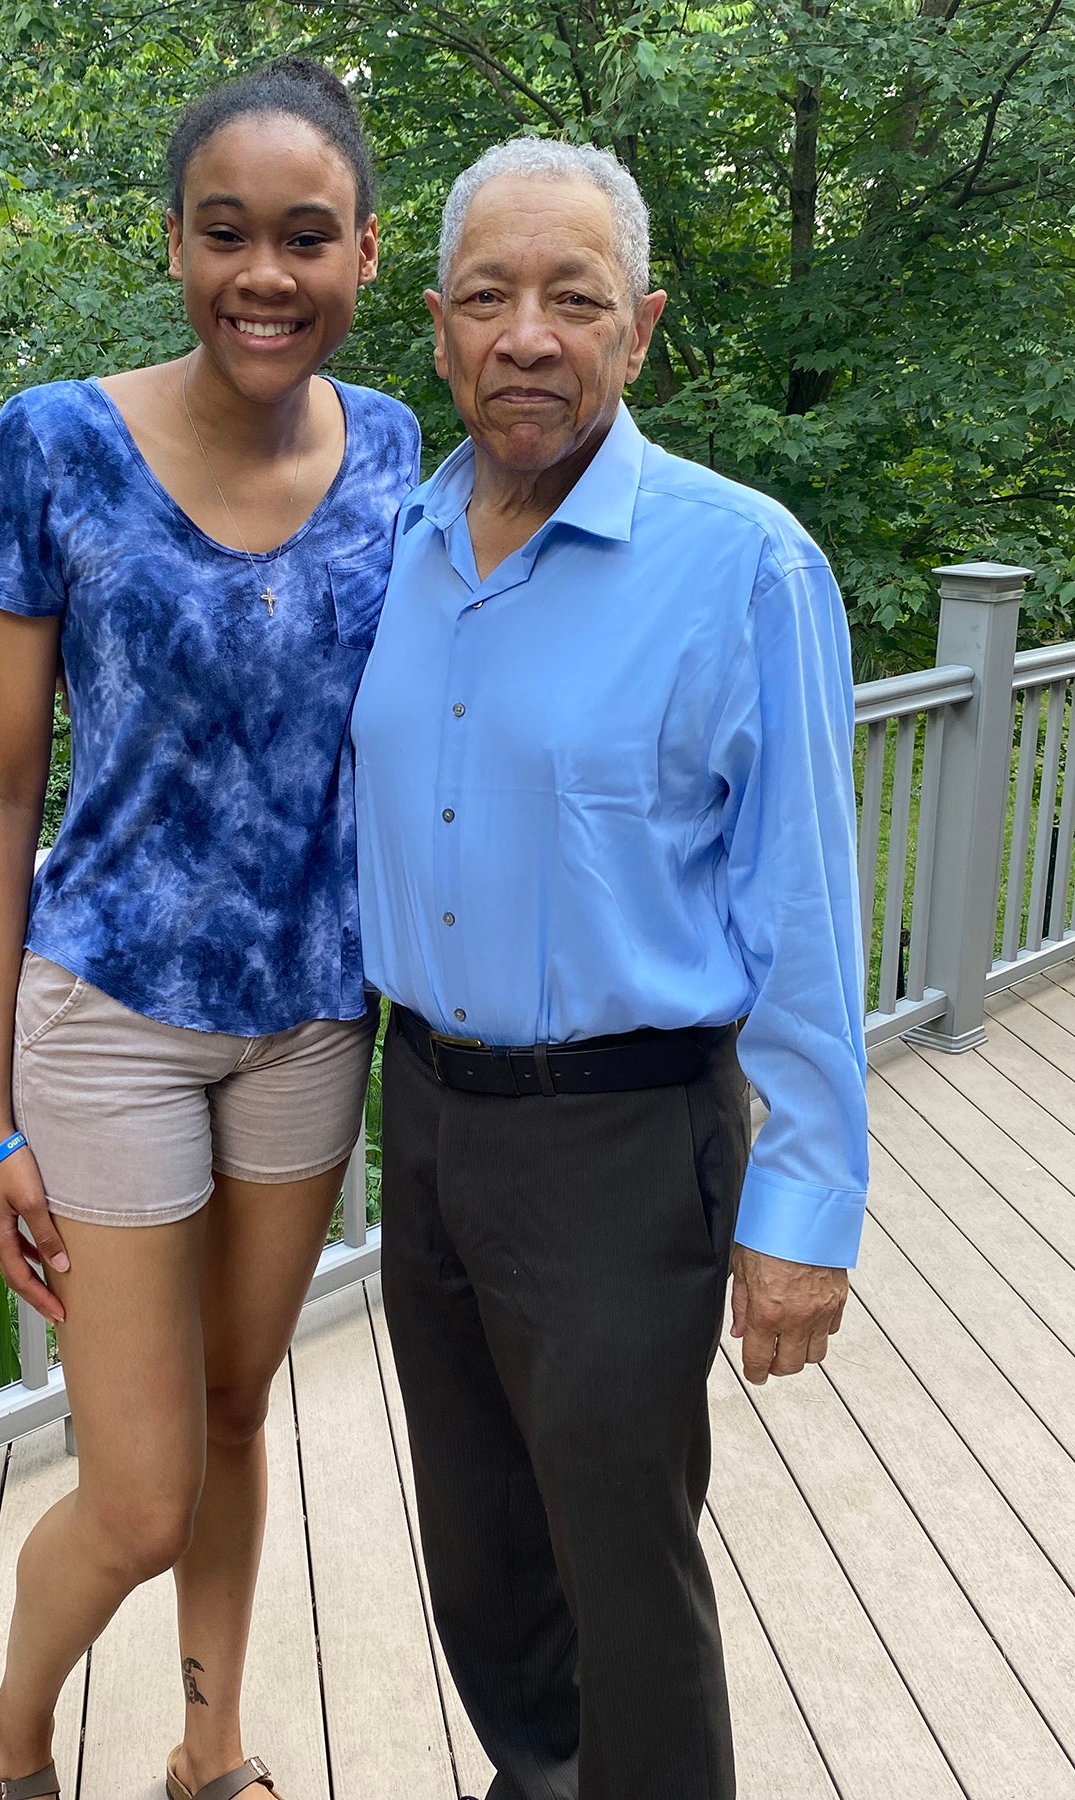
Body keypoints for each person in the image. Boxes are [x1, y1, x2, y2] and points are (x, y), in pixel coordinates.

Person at [351, 138, 869, 1800]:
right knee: (484, 1560)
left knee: (618, 1581)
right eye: (490, 295)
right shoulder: (402, 547)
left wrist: (800, 1215)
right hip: (424, 1110)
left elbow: (804, 914)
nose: (527, 333)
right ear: (434, 327)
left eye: (571, 298)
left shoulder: (744, 566)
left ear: (636, 331)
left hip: (627, 1143)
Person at [0, 57, 419, 1800]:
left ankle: (208, 1754)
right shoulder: (53, 444)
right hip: (114, 1016)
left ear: (365, 257)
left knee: (238, 1418)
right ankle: (15, 1721)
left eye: (307, 237)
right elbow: (0, 794)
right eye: (227, 234)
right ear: (174, 244)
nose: (265, 275)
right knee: (141, 1492)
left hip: (308, 1021)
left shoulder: (392, 447)